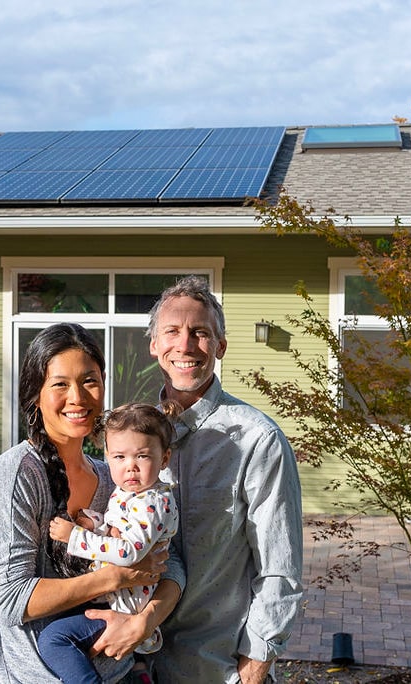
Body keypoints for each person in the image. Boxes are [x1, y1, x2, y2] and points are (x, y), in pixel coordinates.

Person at [0, 323, 173, 684]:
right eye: (60, 383)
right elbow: (8, 601)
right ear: (35, 392)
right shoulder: (17, 477)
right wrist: (114, 576)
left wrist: (145, 621)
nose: (78, 397)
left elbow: (171, 565)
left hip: (123, 671)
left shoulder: (116, 476)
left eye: (89, 380)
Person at [145, 275, 304, 683]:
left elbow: (279, 566)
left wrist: (255, 664)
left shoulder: (257, 439)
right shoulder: (134, 435)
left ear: (220, 347)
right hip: (138, 666)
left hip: (218, 668)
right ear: (154, 346)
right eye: (173, 332)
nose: (185, 345)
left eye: (200, 333)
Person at [37, 402, 180, 684]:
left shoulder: (153, 501)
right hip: (115, 596)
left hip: (124, 606)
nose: (131, 467)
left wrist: (75, 536)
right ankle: (139, 671)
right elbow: (122, 529)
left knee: (54, 641)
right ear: (107, 457)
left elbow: (128, 551)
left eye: (142, 455)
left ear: (164, 459)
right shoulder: (131, 493)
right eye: (119, 457)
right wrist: (97, 523)